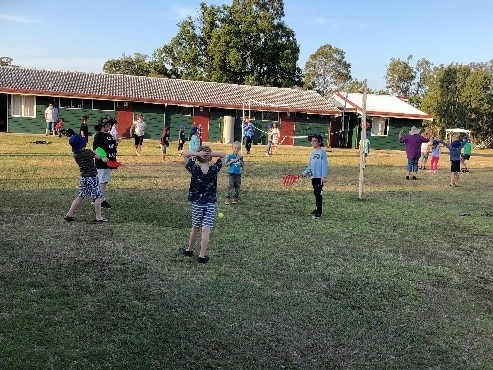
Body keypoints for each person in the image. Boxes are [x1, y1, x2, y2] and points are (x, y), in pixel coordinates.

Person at [181, 145, 226, 264]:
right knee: (206, 229)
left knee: (195, 227)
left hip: (197, 203)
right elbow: (223, 155)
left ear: (199, 157)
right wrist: (209, 154)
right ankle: (201, 256)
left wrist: (199, 154)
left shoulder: (194, 169)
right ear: (209, 158)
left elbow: (185, 154)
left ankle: (189, 250)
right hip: (210, 203)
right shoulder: (214, 169)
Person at [64, 134, 108, 223]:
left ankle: (69, 214)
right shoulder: (88, 152)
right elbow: (98, 157)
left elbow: (91, 154)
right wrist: (100, 155)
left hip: (83, 178)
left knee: (80, 196)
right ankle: (98, 217)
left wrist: (94, 152)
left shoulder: (75, 155)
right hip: (92, 178)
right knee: (98, 197)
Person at [300, 133, 328, 219]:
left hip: (319, 177)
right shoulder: (312, 153)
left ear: (319, 142)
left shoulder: (322, 152)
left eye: (315, 141)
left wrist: (323, 176)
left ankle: (319, 212)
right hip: (313, 177)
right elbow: (310, 166)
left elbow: (324, 165)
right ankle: (316, 209)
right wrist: (304, 173)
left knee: (318, 194)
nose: (312, 143)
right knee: (316, 193)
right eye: (312, 141)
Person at [93, 117, 118, 208]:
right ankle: (101, 200)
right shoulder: (99, 135)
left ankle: (98, 198)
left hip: (109, 163)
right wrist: (103, 157)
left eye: (110, 124)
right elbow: (97, 148)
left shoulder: (109, 135)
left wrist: (114, 161)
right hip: (102, 163)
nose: (109, 126)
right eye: (107, 124)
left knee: (104, 181)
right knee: (102, 181)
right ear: (102, 126)